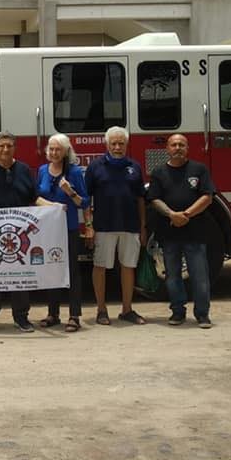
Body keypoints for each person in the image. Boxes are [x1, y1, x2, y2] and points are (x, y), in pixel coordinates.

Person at [0, 130, 45, 334]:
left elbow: (34, 197)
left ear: (15, 148)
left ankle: (22, 318)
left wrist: (53, 206)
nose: (5, 149)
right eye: (1, 146)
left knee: (20, 277)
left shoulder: (24, 170)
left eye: (9, 146)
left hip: (21, 236)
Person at [147, 133, 217, 328]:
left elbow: (207, 197)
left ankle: (202, 315)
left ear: (187, 149)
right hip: (169, 234)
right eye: (174, 145)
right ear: (167, 149)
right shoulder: (159, 172)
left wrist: (185, 215)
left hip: (195, 232)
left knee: (200, 276)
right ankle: (178, 312)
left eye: (181, 145)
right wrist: (171, 215)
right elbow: (154, 199)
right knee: (173, 277)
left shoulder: (199, 170)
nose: (177, 148)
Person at [85, 126, 147, 325]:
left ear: (127, 144)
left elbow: (140, 199)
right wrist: (88, 226)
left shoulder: (135, 167)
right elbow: (87, 199)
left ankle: (127, 310)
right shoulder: (95, 167)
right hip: (103, 226)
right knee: (100, 267)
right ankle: (101, 310)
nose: (118, 147)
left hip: (130, 226)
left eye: (121, 143)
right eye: (114, 143)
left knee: (128, 267)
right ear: (107, 144)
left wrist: (143, 226)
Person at [36, 133, 91, 333]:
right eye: (51, 148)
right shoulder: (42, 170)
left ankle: (74, 315)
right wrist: (53, 205)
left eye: (58, 149)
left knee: (72, 272)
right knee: (51, 269)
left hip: (68, 229)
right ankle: (53, 313)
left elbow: (84, 202)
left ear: (66, 151)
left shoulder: (74, 172)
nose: (53, 152)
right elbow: (35, 198)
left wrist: (71, 193)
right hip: (47, 230)